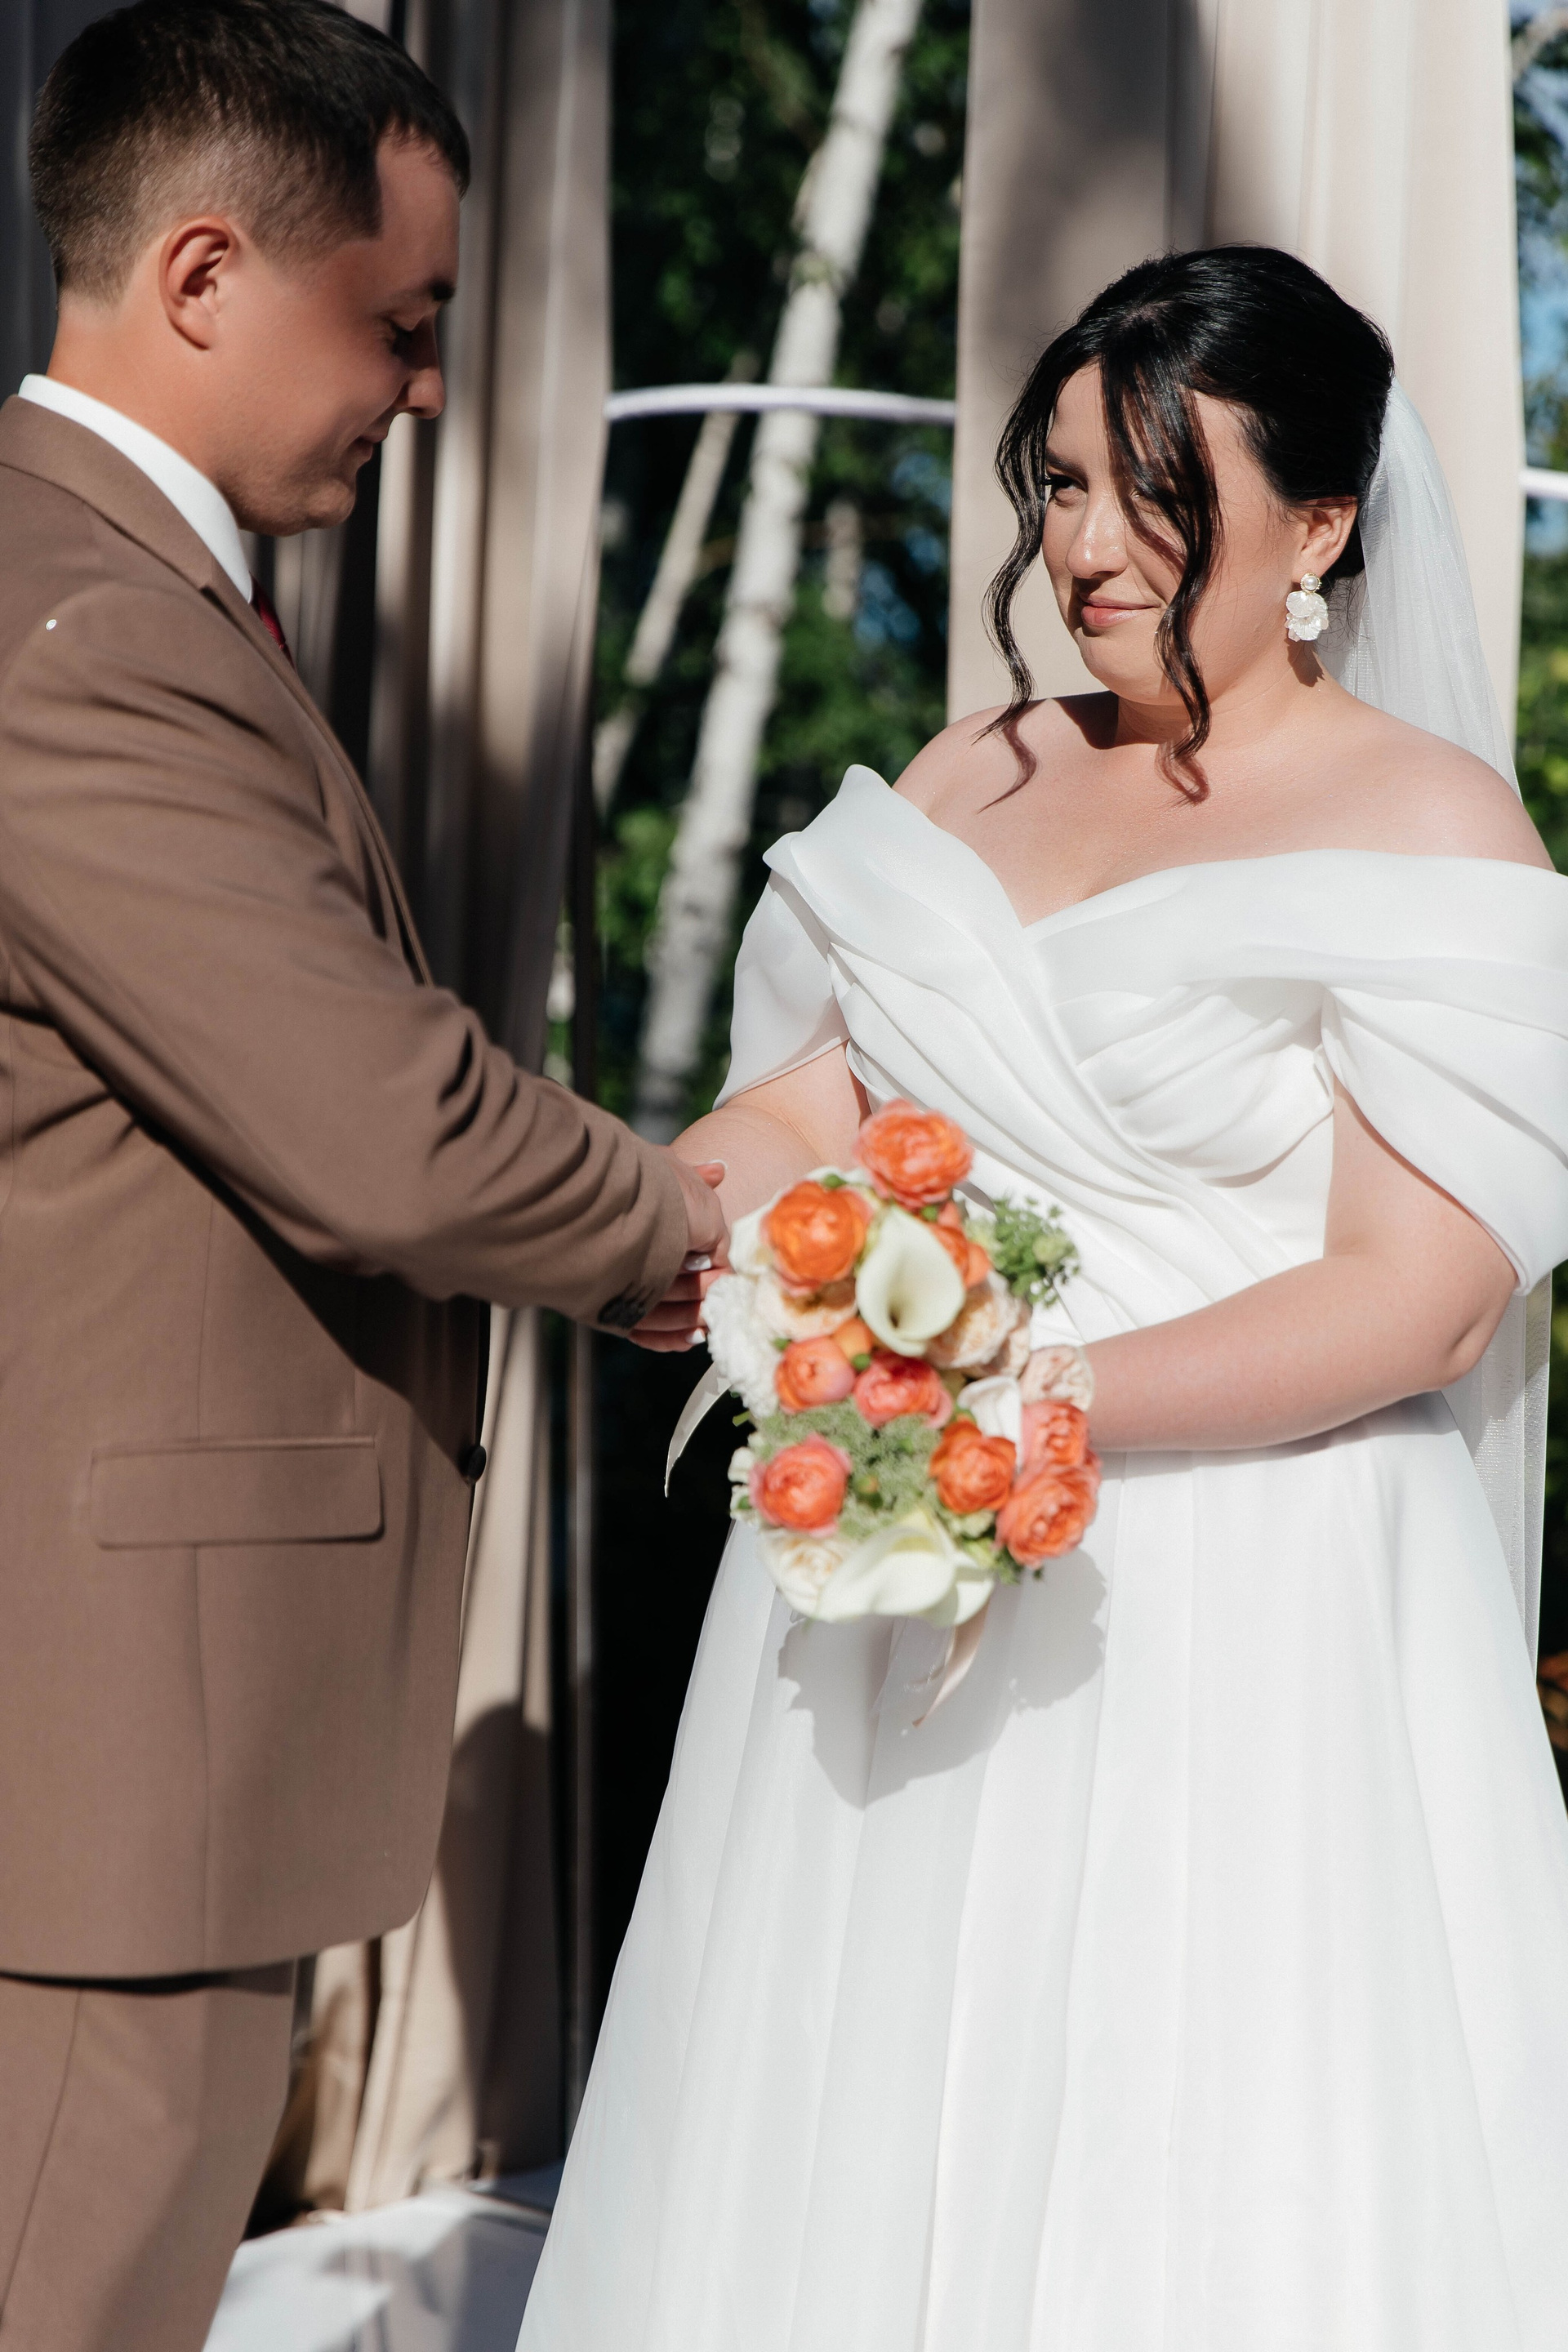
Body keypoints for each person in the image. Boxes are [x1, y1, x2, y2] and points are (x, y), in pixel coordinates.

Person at [522, 248, 1568, 2351]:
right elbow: (813, 1103)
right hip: (895, 1569)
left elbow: (1421, 1303)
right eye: (1064, 482)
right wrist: (674, 1223)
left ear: (1322, 527)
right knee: (842, 2135)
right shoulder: (968, 768)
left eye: (1155, 495)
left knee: (1182, 2157)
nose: (1084, 546)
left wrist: (1021, 1393)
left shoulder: (1433, 825)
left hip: (1244, 1601)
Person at [0, 6, 723, 2350]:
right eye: (399, 324)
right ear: (205, 274)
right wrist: (701, 1232)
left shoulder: (113, 590)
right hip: (104, 1737)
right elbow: (380, 1125)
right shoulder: (87, 629)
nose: (421, 391)